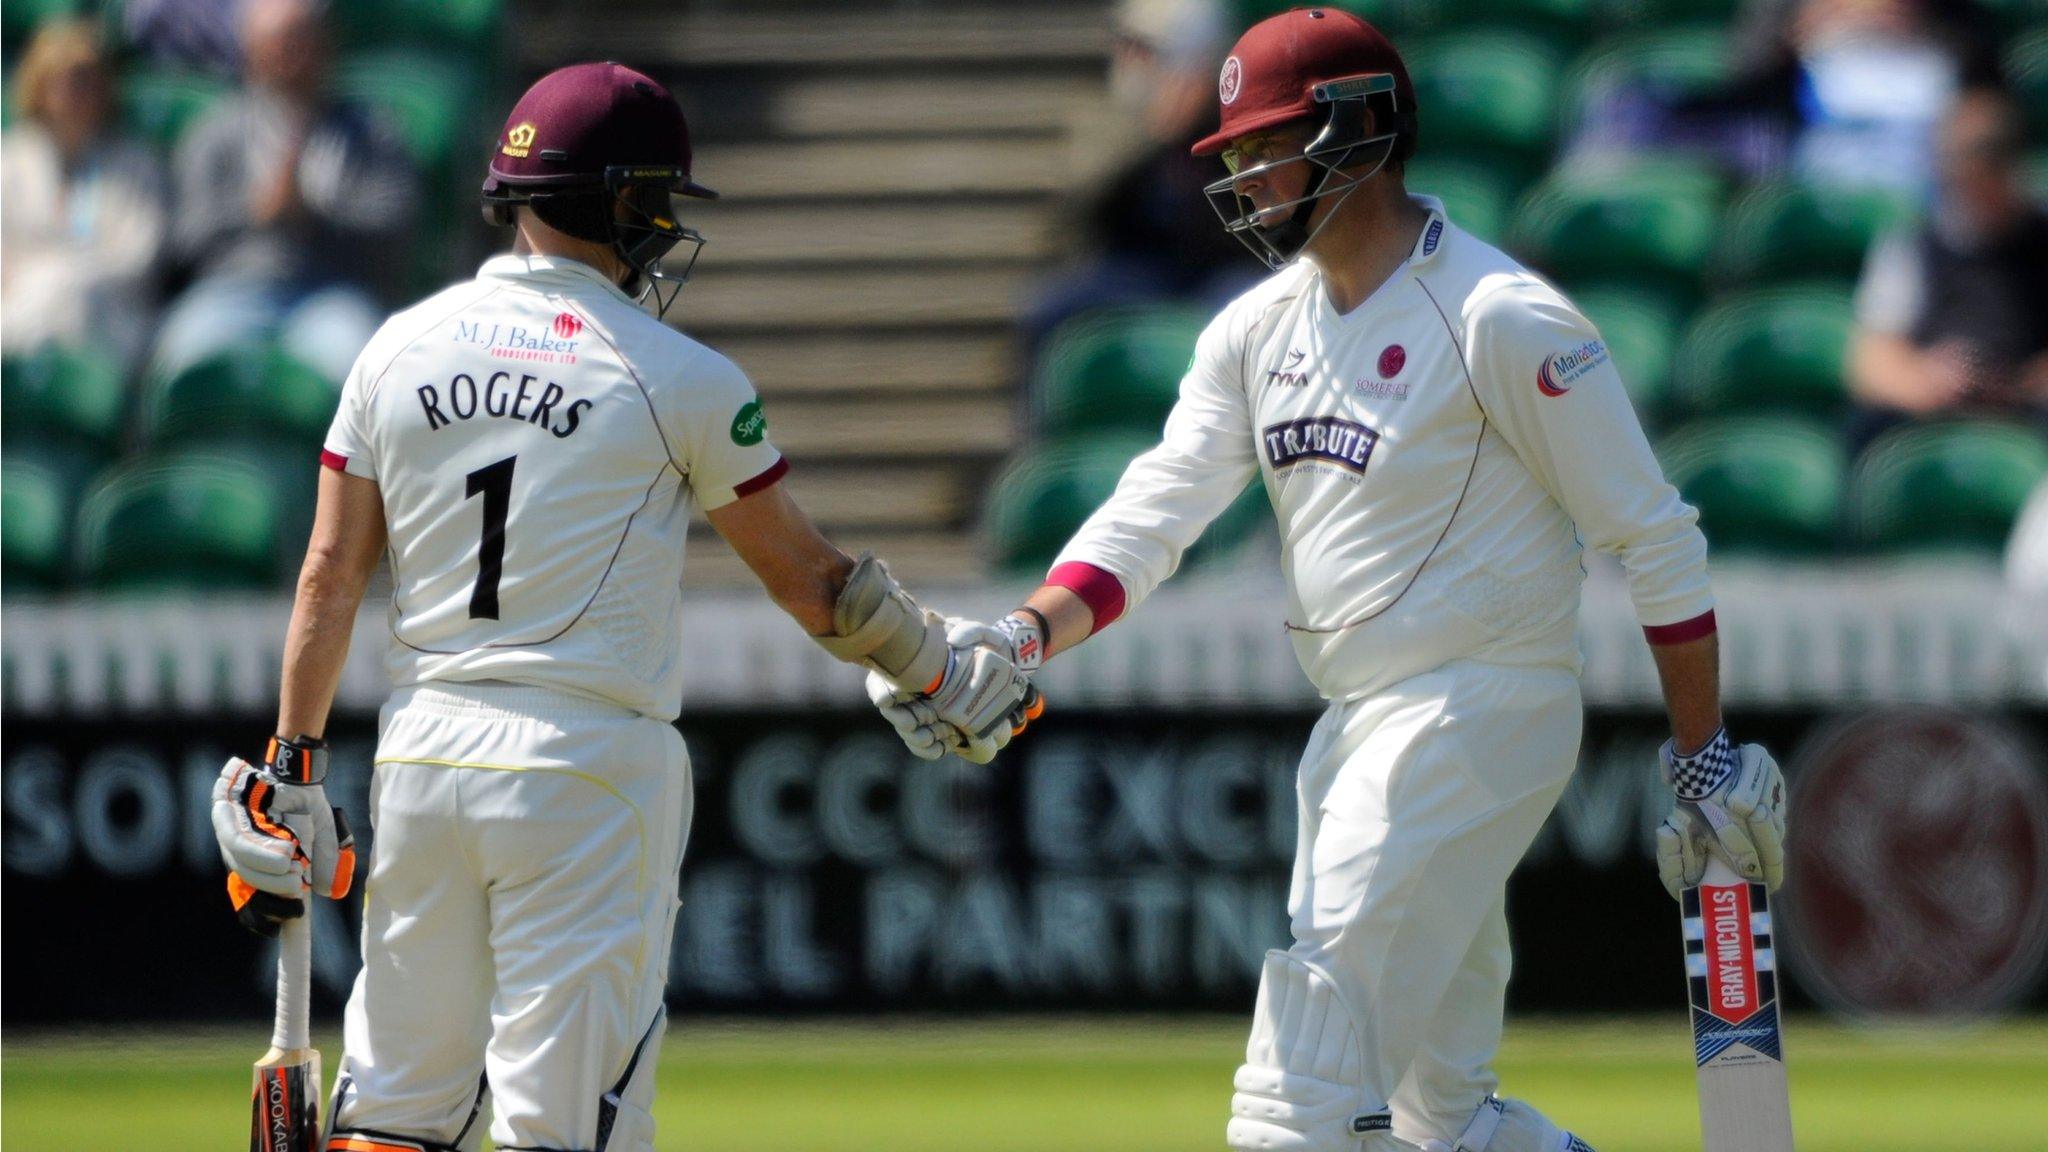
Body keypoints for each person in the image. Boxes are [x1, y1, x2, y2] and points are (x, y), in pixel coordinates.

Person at [873, 11, 1787, 1152]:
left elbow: (1655, 540)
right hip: (1359, 724)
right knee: (1438, 1117)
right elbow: (1155, 510)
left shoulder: (1500, 318)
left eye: (1265, 146)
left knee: (1293, 1099)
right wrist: (1018, 638)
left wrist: (1702, 758)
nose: (1244, 176)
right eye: (1235, 154)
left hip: (1477, 707)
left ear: (1357, 133)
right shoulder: (1253, 330)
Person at [208, 62, 1039, 1152]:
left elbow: (327, 573)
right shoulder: (675, 373)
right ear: (621, 203)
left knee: (396, 1116)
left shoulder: (394, 349)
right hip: (585, 773)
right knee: (562, 1127)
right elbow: (812, 587)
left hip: (422, 759)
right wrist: (934, 664)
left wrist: (291, 764)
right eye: (654, 202)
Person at [152, 0, 416, 383]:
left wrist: (313, 218)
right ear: (252, 52)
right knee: (182, 356)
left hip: (333, 294)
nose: (289, 56)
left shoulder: (370, 131)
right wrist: (256, 213)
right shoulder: (217, 131)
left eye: (300, 42)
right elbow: (187, 236)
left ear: (325, 46)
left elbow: (393, 221)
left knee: (361, 371)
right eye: (276, 43)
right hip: (230, 290)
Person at [1848, 85, 2048, 448]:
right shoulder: (1913, 245)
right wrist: (1929, 379)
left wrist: (2018, 385)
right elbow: (1871, 362)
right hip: (1936, 405)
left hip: (2028, 408)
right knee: (1866, 430)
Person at [1, 18, 168, 363]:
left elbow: (141, 259)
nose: (78, 93)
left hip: (111, 314)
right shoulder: (9, 162)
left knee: (68, 296)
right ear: (40, 88)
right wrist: (52, 280)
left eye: (88, 82)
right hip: (23, 309)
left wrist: (71, 279)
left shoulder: (137, 163)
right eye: (66, 82)